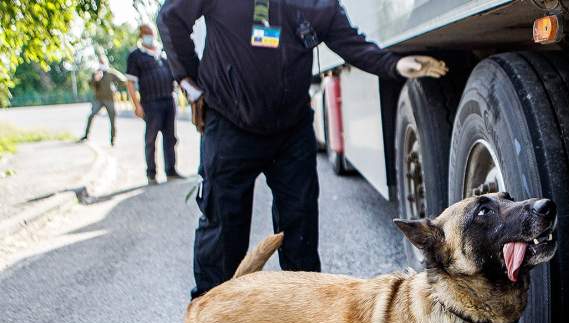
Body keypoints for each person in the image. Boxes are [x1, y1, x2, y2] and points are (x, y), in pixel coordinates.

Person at [158, 0, 447, 299]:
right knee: (222, 233)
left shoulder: (319, 5)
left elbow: (350, 43)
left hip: (291, 131)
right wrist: (191, 81)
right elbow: (170, 17)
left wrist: (394, 65)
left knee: (300, 232)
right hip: (230, 123)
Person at [125, 23, 181, 184]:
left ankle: (171, 170)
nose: (149, 36)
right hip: (150, 103)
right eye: (145, 33)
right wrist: (137, 105)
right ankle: (151, 173)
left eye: (151, 33)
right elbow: (130, 83)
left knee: (170, 137)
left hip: (168, 100)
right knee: (151, 139)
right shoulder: (135, 56)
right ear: (141, 36)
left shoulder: (162, 53)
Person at [79, 53, 126, 146]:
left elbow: (123, 81)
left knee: (112, 119)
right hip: (98, 99)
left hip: (110, 99)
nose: (101, 64)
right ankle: (86, 135)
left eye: (103, 62)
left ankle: (112, 140)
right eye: (100, 62)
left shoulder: (111, 72)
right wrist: (96, 79)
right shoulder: (95, 73)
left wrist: (116, 86)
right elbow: (90, 85)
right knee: (91, 116)